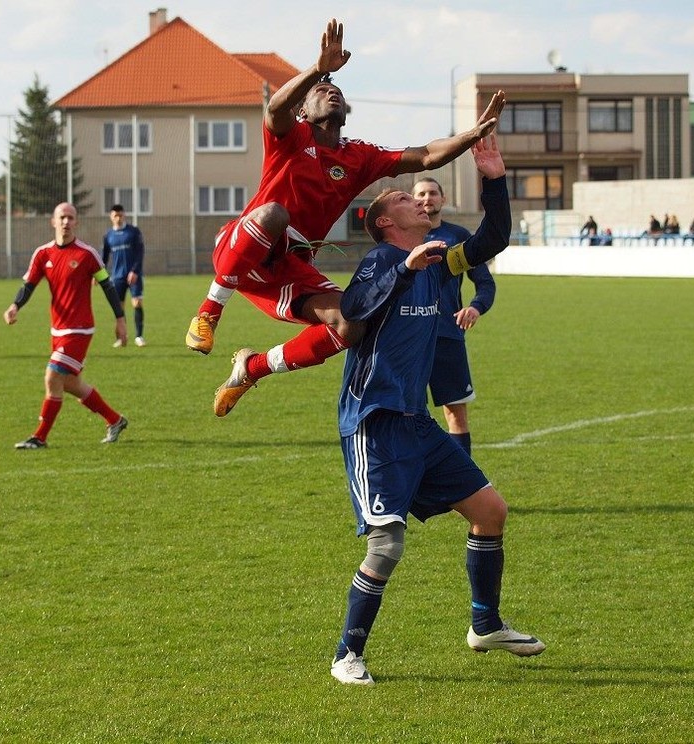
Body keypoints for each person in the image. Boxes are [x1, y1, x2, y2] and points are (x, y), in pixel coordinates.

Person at [184, 18, 506, 417]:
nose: (331, 93)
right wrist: (317, 69)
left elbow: (424, 155)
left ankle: (252, 368)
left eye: (336, 91)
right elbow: (275, 108)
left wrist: (472, 135)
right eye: (322, 90)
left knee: (352, 323)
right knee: (273, 214)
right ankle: (208, 312)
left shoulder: (359, 157)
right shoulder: (291, 136)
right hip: (243, 248)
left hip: (288, 269)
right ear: (304, 108)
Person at [329, 136, 544, 686]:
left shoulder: (440, 261)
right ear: (384, 223)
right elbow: (351, 314)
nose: (418, 201)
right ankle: (346, 655)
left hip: (416, 422)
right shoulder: (379, 260)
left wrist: (494, 179)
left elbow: (493, 240)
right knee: (387, 542)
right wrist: (403, 266)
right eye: (404, 199)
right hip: (373, 424)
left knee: (491, 510)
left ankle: (485, 624)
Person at [4, 202, 129, 449]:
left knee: (52, 377)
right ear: (53, 221)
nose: (66, 222)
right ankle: (115, 420)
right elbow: (28, 285)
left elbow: (108, 286)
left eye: (71, 218)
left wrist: (120, 320)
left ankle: (39, 437)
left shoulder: (87, 254)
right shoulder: (43, 254)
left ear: (76, 222)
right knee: (71, 383)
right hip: (57, 330)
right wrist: (15, 306)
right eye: (62, 217)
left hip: (80, 329)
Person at [411, 176, 496, 456]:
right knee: (410, 415)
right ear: (413, 200)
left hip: (447, 335)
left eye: (433, 193)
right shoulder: (403, 235)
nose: (427, 199)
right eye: (421, 194)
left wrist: (475, 307)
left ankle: (466, 489)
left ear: (443, 199)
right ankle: (417, 484)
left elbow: (484, 282)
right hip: (409, 340)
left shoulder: (458, 237)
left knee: (456, 414)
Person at [102, 203, 146, 347]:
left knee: (137, 303)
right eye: (115, 215)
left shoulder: (133, 232)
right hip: (117, 277)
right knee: (119, 307)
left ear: (124, 215)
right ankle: (122, 337)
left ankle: (139, 336)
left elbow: (140, 254)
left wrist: (134, 271)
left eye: (120, 215)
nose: (118, 218)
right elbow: (104, 257)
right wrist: (98, 275)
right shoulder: (108, 236)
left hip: (134, 276)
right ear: (111, 217)